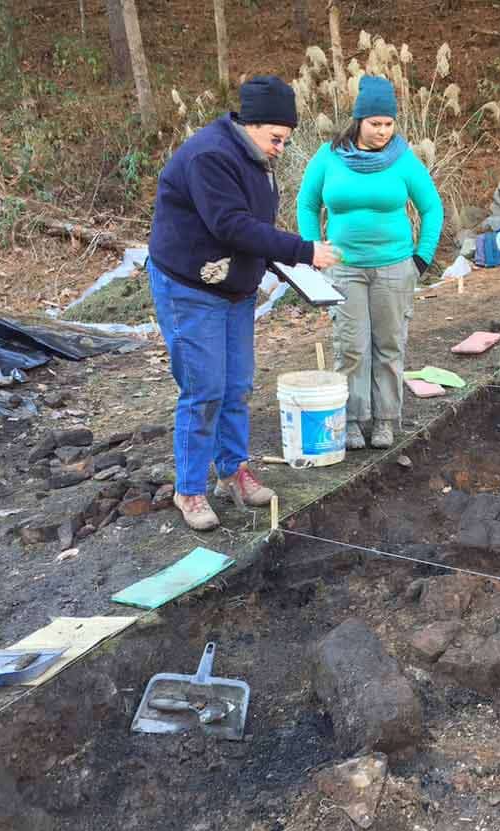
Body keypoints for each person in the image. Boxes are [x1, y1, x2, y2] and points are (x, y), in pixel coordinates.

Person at [147, 75, 339, 531]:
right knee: (204, 389)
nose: (280, 148)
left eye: (285, 141)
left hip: (233, 288)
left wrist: (282, 266)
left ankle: (232, 472)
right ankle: (189, 490)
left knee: (237, 385)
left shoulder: (255, 156)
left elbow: (254, 224)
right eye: (277, 138)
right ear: (251, 124)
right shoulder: (210, 156)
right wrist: (302, 250)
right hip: (191, 288)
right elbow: (231, 224)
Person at [296, 76, 443, 450]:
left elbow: (431, 207)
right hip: (343, 268)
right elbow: (307, 204)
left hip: (394, 267)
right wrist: (314, 250)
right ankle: (350, 420)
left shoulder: (402, 159)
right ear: (358, 121)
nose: (383, 131)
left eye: (389, 124)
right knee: (351, 347)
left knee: (389, 345)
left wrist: (421, 259)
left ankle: (385, 419)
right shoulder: (328, 156)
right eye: (375, 123)